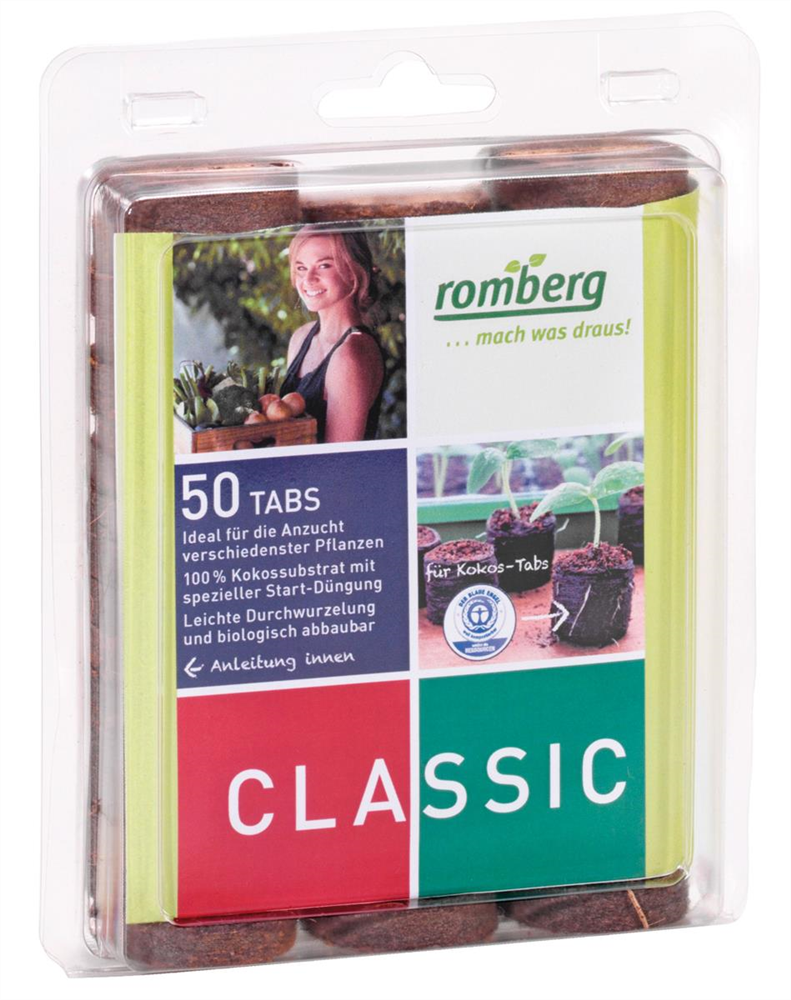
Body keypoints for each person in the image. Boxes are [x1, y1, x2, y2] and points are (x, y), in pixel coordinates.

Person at [280, 227, 385, 444]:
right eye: (301, 268)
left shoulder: (351, 353)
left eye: (324, 265)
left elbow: (340, 460)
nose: (308, 279)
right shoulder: (301, 338)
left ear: (353, 270)